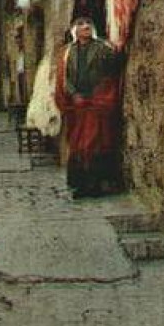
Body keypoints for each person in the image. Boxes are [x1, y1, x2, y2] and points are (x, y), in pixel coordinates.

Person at [55, 16, 123, 197]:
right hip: (77, 105)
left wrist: (98, 92)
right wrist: (74, 94)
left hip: (96, 102)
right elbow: (65, 78)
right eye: (80, 24)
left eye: (88, 24)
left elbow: (111, 69)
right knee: (78, 145)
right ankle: (79, 185)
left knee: (95, 143)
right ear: (74, 30)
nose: (85, 26)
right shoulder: (67, 53)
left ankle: (96, 184)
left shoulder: (102, 48)